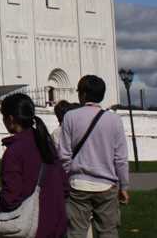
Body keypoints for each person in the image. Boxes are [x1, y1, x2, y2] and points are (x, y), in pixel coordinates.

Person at [59, 75, 129, 238]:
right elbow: (121, 158)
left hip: (78, 184)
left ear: (83, 94)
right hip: (106, 184)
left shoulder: (70, 117)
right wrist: (123, 186)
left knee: (77, 232)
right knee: (108, 232)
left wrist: (69, 175)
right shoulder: (114, 119)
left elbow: (64, 155)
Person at [0, 93, 69, 238]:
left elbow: (11, 197)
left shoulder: (14, 151)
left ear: (11, 119)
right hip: (55, 224)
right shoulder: (45, 143)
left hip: (31, 228)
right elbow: (65, 186)